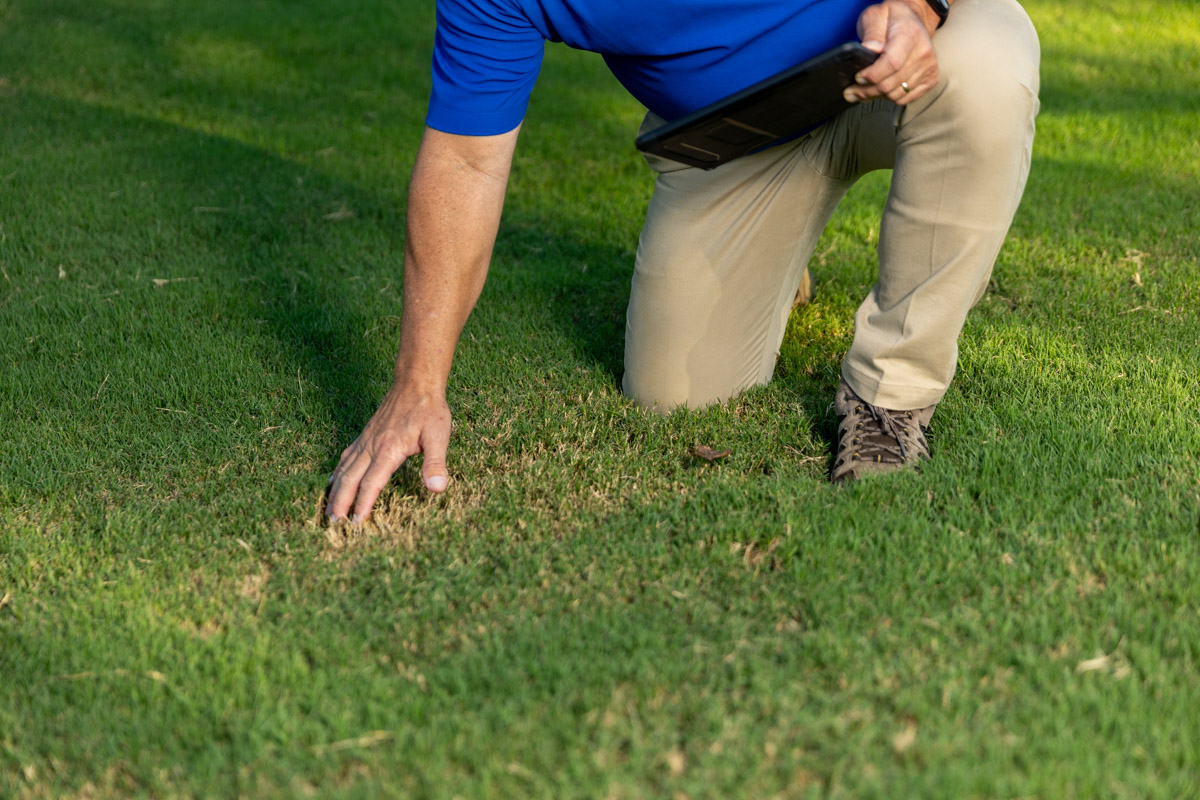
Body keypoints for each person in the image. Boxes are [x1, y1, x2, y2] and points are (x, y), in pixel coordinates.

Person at [325, 0, 1041, 523]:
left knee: (989, 67)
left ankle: (892, 396)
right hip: (739, 138)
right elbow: (464, 161)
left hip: (899, 57)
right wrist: (417, 384)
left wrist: (916, 7)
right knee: (674, 395)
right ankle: (781, 263)